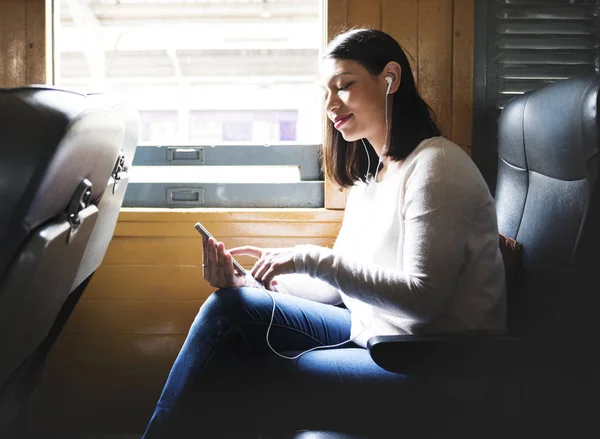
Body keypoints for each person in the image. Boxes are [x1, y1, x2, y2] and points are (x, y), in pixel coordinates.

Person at [142, 28, 506, 438]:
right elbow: (339, 291)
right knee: (232, 306)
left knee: (249, 365)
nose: (331, 104)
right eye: (325, 92)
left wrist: (309, 258)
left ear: (390, 78)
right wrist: (257, 281)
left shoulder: (437, 166)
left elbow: (424, 300)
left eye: (344, 86)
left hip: (433, 364)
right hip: (376, 336)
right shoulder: (374, 176)